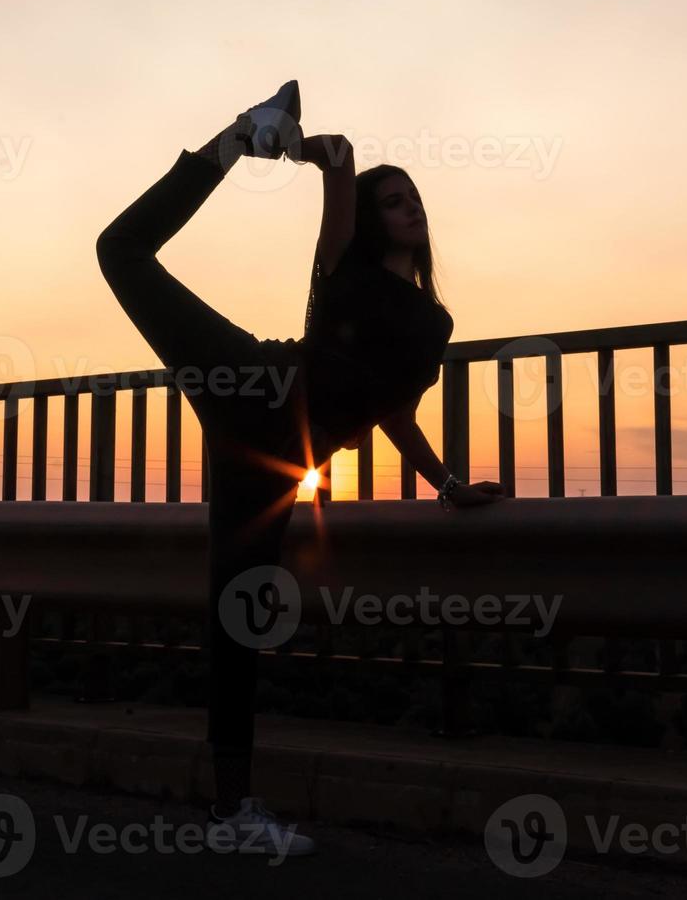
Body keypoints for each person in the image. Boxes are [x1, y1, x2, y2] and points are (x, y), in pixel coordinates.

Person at [94, 80, 504, 858]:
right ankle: (233, 138)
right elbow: (344, 159)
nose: (409, 205)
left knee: (235, 611)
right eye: (394, 200)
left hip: (276, 460)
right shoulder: (340, 268)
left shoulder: (431, 322)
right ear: (370, 220)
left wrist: (447, 484)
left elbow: (392, 414)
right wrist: (287, 142)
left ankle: (229, 813)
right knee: (120, 252)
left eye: (414, 197)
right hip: (255, 383)